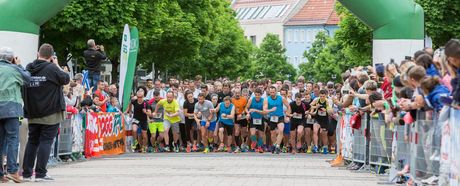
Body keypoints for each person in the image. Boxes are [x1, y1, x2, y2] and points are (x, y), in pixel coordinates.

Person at [23, 44, 70, 182]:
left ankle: (26, 173)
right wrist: (56, 65)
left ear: (38, 53)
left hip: (32, 111)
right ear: (51, 56)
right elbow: (66, 79)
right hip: (50, 112)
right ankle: (41, 173)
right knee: (45, 142)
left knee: (32, 142)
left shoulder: (29, 68)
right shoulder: (52, 68)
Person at [0, 47, 30, 183]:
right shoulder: (15, 70)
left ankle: (1, 173)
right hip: (12, 108)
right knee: (13, 139)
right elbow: (27, 79)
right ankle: (12, 170)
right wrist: (19, 65)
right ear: (12, 58)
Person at [264, 86, 291, 154]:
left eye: (273, 92)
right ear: (269, 92)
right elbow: (264, 109)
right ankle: (274, 145)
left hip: (280, 116)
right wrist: (271, 110)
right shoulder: (267, 99)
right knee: (272, 133)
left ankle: (278, 146)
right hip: (272, 117)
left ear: (276, 92)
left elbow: (288, 106)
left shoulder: (281, 98)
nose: (272, 94)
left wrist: (287, 115)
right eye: (271, 92)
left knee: (281, 130)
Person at [125, 87, 149, 153]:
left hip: (143, 120)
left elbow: (149, 113)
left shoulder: (146, 103)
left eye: (141, 97)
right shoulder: (134, 101)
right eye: (138, 92)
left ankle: (144, 146)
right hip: (136, 118)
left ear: (143, 96)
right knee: (134, 130)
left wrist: (145, 112)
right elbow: (130, 104)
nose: (139, 98)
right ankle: (135, 142)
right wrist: (129, 111)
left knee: (144, 135)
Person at [310, 89, 332, 154]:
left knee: (324, 134)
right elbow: (310, 105)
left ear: (326, 96)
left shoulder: (328, 101)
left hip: (325, 119)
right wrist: (315, 106)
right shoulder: (316, 100)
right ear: (319, 95)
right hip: (317, 118)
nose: (322, 97)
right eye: (321, 96)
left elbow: (330, 110)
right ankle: (316, 146)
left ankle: (325, 147)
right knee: (315, 131)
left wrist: (326, 110)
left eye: (323, 96)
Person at [246, 89, 266, 153]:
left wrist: (255, 110)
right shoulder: (251, 100)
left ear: (261, 95)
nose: (257, 96)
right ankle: (254, 142)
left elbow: (264, 112)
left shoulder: (264, 101)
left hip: (260, 118)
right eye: (256, 95)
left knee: (261, 135)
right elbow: (246, 108)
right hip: (253, 118)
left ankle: (259, 147)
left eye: (258, 95)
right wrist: (248, 113)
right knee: (252, 133)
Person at [231, 88, 248, 153]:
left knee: (244, 132)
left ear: (240, 93)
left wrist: (242, 113)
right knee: (237, 131)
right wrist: (236, 114)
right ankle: (237, 147)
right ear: (234, 93)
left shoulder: (244, 99)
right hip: (236, 116)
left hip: (243, 116)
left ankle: (243, 144)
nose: (237, 94)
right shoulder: (232, 100)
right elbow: (231, 109)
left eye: (238, 93)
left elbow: (245, 108)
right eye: (236, 93)